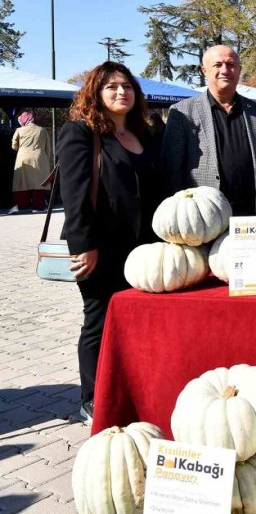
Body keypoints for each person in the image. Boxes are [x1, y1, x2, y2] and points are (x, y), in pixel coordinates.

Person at [57, 61, 165, 420]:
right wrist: (83, 245)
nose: (122, 92)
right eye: (112, 87)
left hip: (144, 249)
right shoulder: (81, 133)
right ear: (96, 93)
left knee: (136, 318)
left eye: (128, 86)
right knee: (99, 319)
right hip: (100, 247)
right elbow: (73, 195)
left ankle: (131, 387)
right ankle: (92, 396)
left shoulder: (144, 134)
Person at [162, 45, 256, 216]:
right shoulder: (182, 112)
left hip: (251, 213)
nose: (225, 70)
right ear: (204, 70)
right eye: (218, 65)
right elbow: (172, 169)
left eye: (231, 64)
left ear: (239, 70)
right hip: (204, 216)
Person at [10, 111, 52, 213]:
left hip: (23, 158)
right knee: (39, 183)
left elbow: (14, 146)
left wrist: (23, 148)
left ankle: (22, 206)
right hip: (39, 158)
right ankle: (38, 207)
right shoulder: (42, 130)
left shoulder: (19, 130)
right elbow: (48, 149)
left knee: (22, 182)